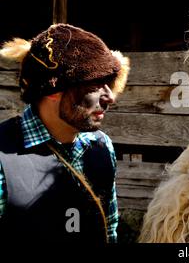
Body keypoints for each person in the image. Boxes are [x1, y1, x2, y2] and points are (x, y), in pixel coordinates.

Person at [0, 24, 129, 243]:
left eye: (108, 82)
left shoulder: (101, 146)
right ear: (52, 89)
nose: (110, 97)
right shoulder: (3, 157)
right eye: (95, 84)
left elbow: (109, 229)